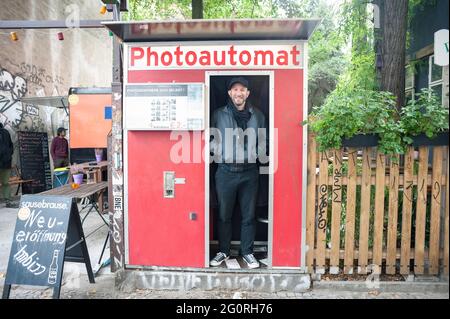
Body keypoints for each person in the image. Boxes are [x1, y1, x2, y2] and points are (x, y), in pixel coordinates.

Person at [210, 77, 268, 269]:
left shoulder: (257, 115)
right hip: (225, 172)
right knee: (224, 215)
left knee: (248, 216)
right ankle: (224, 251)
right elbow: (210, 138)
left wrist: (256, 154)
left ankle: (248, 252)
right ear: (229, 93)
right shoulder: (219, 114)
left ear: (248, 93)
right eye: (235, 89)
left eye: (242, 89)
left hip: (249, 172)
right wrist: (219, 153)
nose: (239, 93)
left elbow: (264, 141)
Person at [0, 123, 14, 206]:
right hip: (6, 161)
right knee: (5, 183)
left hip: (6, 161)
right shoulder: (6, 132)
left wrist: (8, 155)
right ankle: (8, 201)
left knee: (5, 182)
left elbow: (10, 145)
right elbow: (11, 146)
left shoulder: (5, 132)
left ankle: (8, 200)